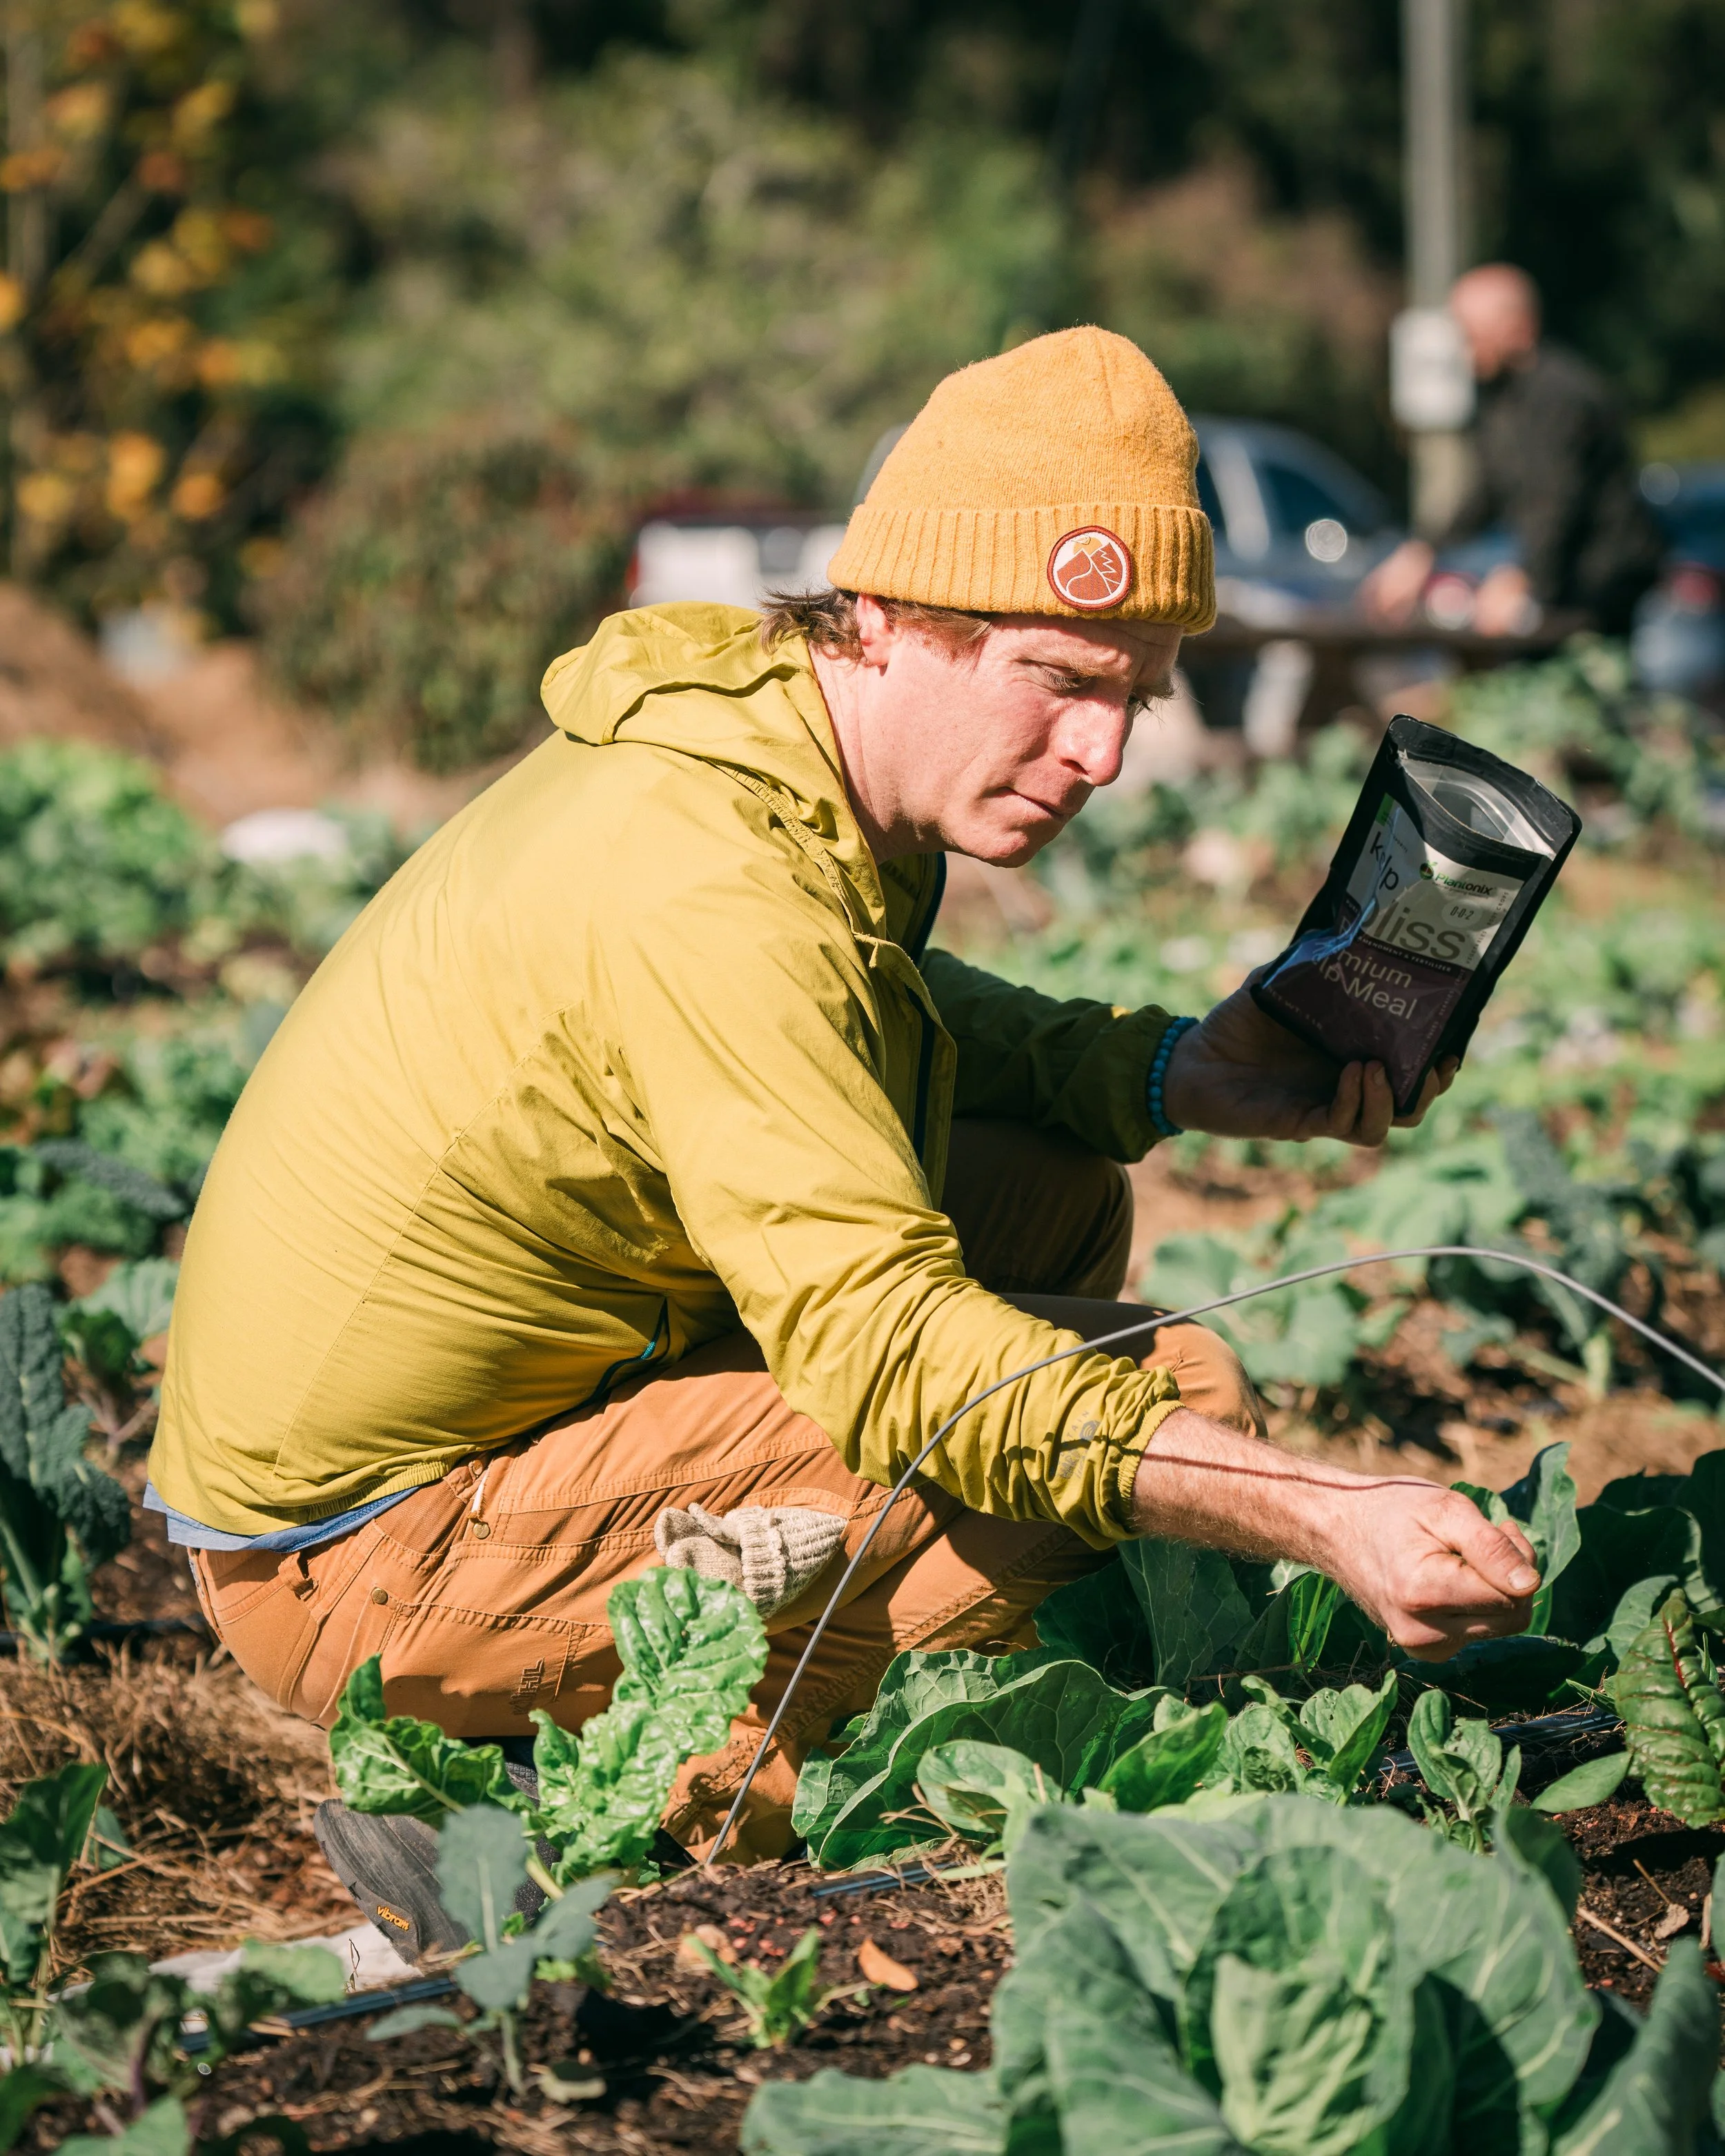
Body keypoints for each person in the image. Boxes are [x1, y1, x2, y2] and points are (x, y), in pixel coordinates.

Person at [148, 328, 1539, 1919]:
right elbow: (884, 1339)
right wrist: (1322, 1507)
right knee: (1169, 1386)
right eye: (1062, 680)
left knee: (1044, 1188)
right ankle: (706, 1783)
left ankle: (739, 1676)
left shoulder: (771, 744)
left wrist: (1167, 1071)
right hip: (362, 1557)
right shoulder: (714, 880)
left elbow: (881, 1003)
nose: (1100, 752)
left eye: (1136, 697)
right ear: (889, 618)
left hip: (472, 1425)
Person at [1366, 263, 1664, 637]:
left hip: (1606, 586)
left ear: (1516, 327)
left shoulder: (1562, 396)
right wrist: (1421, 552)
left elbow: (1556, 501)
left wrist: (1522, 580)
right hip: (1562, 580)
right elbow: (1485, 494)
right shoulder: (1496, 399)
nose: (1463, 348)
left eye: (1471, 333)